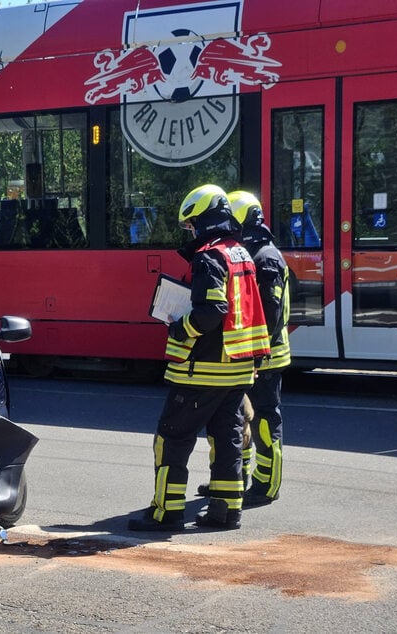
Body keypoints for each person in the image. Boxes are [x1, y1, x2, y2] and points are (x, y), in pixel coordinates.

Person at [127, 184, 270, 532]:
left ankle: (167, 512)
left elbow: (212, 311)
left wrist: (180, 327)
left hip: (201, 371)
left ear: (203, 222)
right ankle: (225, 511)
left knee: (171, 438)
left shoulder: (209, 257)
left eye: (190, 225)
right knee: (227, 440)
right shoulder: (241, 253)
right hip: (237, 369)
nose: (189, 232)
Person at [226, 190, 291, 507]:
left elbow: (271, 314)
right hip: (251, 356)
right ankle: (239, 479)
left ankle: (267, 486)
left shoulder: (265, 256)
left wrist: (256, 355)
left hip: (265, 358)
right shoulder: (251, 252)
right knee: (243, 421)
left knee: (266, 422)